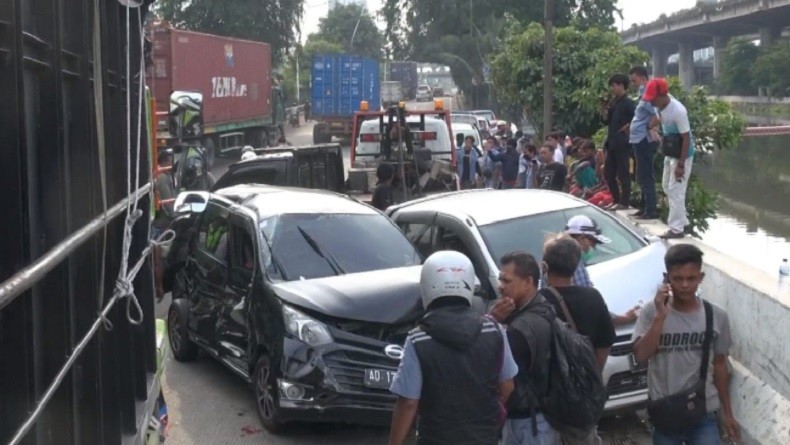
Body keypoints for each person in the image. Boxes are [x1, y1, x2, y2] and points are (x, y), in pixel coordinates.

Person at [388, 251, 518, 445]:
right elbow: (507, 386)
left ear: (427, 285)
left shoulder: (417, 339)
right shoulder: (495, 330)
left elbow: (408, 403)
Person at [633, 244, 739, 444]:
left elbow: (720, 366)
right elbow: (641, 356)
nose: (684, 285)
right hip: (665, 412)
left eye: (691, 279)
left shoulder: (716, 316)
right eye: (677, 279)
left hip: (703, 411)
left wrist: (727, 413)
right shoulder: (651, 312)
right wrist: (660, 317)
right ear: (667, 278)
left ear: (701, 277)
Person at [540, 235, 616, 445]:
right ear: (576, 266)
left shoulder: (537, 302)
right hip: (580, 400)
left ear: (544, 266)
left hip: (545, 402)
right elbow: (605, 344)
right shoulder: (593, 297)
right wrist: (590, 375)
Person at [495, 252, 561, 444]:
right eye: (500, 280)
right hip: (533, 420)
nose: (501, 286)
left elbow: (492, 366)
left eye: (507, 281)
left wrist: (492, 321)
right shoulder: (542, 308)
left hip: (529, 424)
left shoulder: (523, 328)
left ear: (528, 282)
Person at [563, 215, 640, 326]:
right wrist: (623, 319)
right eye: (593, 243)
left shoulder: (553, 257)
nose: (593, 248)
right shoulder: (576, 264)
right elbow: (590, 304)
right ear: (582, 238)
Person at [644, 78, 695, 239]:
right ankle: (682, 220)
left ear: (662, 95)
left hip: (682, 155)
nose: (650, 101)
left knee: (676, 191)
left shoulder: (679, 111)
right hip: (670, 152)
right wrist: (650, 125)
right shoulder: (660, 106)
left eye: (653, 98)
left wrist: (681, 165)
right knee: (666, 187)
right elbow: (659, 118)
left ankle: (676, 229)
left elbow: (686, 138)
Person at [629, 66, 661, 220]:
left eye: (634, 80)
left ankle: (650, 210)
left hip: (644, 140)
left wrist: (650, 127)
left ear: (642, 78)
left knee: (645, 175)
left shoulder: (650, 95)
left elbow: (658, 115)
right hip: (638, 139)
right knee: (641, 174)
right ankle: (644, 207)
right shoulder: (643, 93)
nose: (633, 84)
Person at [600, 73, 636, 211]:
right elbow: (606, 121)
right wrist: (603, 111)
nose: (612, 89)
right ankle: (616, 199)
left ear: (621, 85)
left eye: (613, 86)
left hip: (623, 143)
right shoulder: (613, 102)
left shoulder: (629, 103)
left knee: (623, 173)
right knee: (608, 174)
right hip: (612, 143)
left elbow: (637, 119)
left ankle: (625, 202)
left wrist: (629, 127)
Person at [153, 150, 177, 302]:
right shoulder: (162, 177)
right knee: (159, 260)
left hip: (162, 224)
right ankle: (160, 288)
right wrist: (177, 216)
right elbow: (169, 205)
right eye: (170, 161)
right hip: (161, 226)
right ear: (165, 162)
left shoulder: (164, 176)